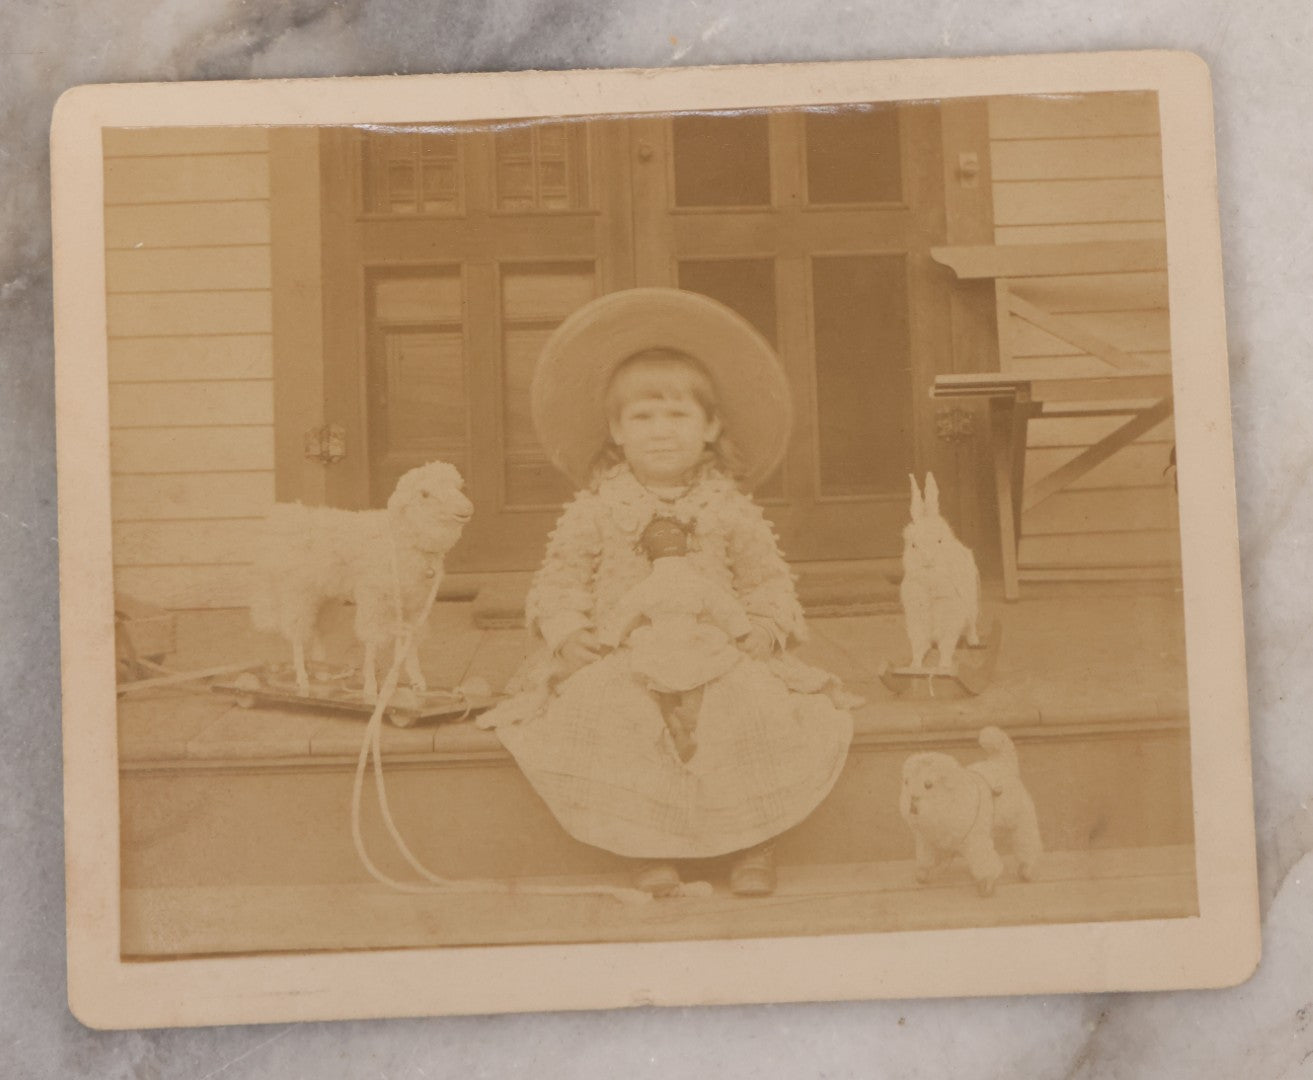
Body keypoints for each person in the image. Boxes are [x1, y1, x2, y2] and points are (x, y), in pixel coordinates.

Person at [480, 288, 856, 898]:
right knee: (617, 711)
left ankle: (750, 840)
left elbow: (766, 579)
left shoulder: (729, 509)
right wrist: (570, 633)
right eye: (643, 419)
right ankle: (645, 843)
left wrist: (763, 625)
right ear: (617, 432)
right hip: (622, 652)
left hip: (717, 650)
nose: (661, 433)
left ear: (710, 428)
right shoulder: (599, 508)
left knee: (748, 706)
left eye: (678, 417)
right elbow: (560, 579)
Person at [598, 515, 755, 764]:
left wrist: (608, 640)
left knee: (662, 685)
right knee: (696, 677)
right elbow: (723, 605)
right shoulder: (698, 582)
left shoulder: (647, 585)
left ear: (649, 553)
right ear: (685, 547)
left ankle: (676, 728)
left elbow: (623, 611)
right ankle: (690, 717)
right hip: (692, 637)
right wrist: (741, 630)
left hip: (659, 640)